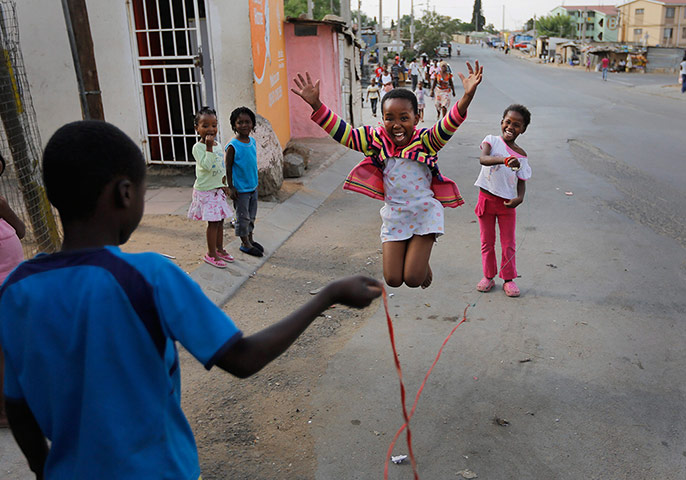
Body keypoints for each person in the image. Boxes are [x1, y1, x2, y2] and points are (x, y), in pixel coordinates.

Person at [0, 120, 382, 479]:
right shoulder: (148, 277)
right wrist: (326, 297)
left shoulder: (16, 289)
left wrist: (42, 468)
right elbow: (242, 358)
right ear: (125, 193)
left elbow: (16, 405)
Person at [291, 62, 483, 289]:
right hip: (395, 215)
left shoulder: (427, 141)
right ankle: (417, 255)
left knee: (412, 279)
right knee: (392, 280)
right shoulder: (376, 141)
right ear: (382, 119)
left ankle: (422, 255)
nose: (397, 125)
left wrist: (467, 96)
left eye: (404, 118)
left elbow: (450, 122)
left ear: (417, 117)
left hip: (424, 214)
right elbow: (346, 135)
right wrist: (317, 105)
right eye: (389, 118)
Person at [474, 104, 532, 297]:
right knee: (487, 241)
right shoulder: (491, 141)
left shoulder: (521, 155)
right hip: (486, 200)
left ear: (522, 129)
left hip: (507, 205)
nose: (511, 127)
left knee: (508, 243)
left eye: (517, 124)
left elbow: (522, 180)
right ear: (502, 122)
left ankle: (508, 279)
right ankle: (488, 276)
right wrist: (505, 160)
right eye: (508, 122)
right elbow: (483, 159)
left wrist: (519, 198)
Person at [187, 106, 234, 268]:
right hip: (206, 191)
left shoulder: (218, 145)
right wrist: (208, 147)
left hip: (217, 190)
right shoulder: (198, 148)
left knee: (220, 220)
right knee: (213, 223)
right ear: (197, 128)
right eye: (205, 126)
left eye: (213, 125)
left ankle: (220, 249)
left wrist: (225, 185)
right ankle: (211, 253)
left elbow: (220, 167)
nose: (210, 129)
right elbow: (207, 165)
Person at [0, 153, 25, 428]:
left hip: (12, 285)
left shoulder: (1, 206)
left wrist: (5, 209)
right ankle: (4, 412)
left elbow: (21, 231)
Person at [224, 107, 263, 257]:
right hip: (240, 190)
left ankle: (250, 239)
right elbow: (227, 166)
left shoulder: (252, 141)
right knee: (242, 217)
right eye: (240, 122)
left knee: (252, 215)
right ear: (234, 125)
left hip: (252, 186)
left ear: (252, 124)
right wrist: (231, 187)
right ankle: (244, 243)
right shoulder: (233, 146)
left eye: (247, 122)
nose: (244, 125)